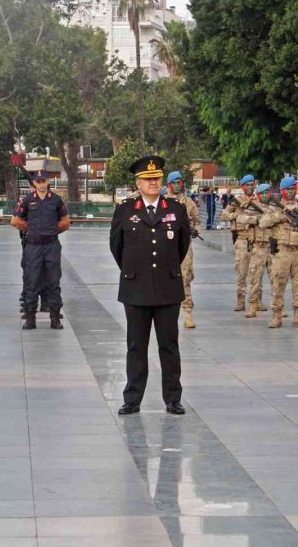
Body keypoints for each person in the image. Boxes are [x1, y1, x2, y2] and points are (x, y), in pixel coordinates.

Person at [110, 155, 191, 415]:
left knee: (169, 345)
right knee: (136, 346)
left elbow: (182, 245)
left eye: (156, 178)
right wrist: (133, 271)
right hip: (136, 288)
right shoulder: (125, 209)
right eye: (148, 179)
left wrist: (166, 270)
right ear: (138, 183)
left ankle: (173, 398)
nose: (153, 182)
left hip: (168, 288)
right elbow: (116, 247)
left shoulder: (176, 209)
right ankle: (132, 398)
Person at [11, 170, 70, 330]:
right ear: (34, 183)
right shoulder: (27, 200)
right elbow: (15, 220)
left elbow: (65, 222)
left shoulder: (56, 200)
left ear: (48, 182)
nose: (41, 184)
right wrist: (30, 230)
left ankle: (55, 318)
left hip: (51, 245)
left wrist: (50, 230)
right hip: (33, 246)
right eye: (38, 181)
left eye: (44, 181)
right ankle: (31, 319)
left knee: (53, 281)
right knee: (32, 281)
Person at [259, 176, 298, 329]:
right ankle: (277, 315)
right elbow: (263, 223)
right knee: (278, 283)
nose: (291, 192)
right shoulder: (275, 208)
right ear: (282, 191)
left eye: (293, 189)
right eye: (288, 189)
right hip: (282, 251)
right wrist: (281, 217)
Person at [220, 175, 261, 312]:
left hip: (256, 239)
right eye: (247, 185)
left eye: (252, 185)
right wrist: (236, 216)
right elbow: (224, 215)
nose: (250, 187)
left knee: (257, 272)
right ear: (243, 187)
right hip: (242, 239)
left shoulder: (259, 200)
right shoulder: (236, 201)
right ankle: (241, 300)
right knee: (242, 271)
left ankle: (257, 300)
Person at [166, 171, 201, 328]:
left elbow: (197, 221)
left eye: (179, 182)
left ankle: (187, 312)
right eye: (174, 182)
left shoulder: (188, 202)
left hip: (184, 245)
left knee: (185, 277)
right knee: (165, 278)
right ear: (168, 185)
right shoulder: (163, 201)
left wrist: (196, 230)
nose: (177, 185)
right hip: (166, 246)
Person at [241, 183, 271, 319]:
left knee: (276, 278)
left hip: (273, 247)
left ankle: (278, 307)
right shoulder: (252, 206)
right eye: (262, 193)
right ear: (258, 195)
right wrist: (256, 219)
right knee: (255, 278)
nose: (265, 195)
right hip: (258, 246)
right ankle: (252, 305)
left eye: (267, 193)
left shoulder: (276, 207)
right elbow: (241, 218)